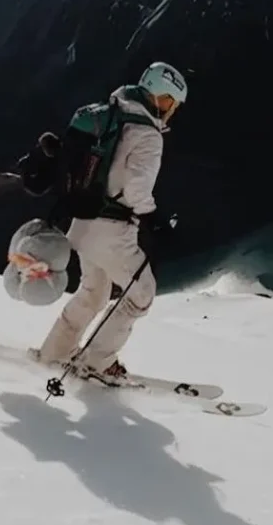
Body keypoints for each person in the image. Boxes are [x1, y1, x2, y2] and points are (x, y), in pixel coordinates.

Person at [34, 61, 187, 383]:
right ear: (160, 97)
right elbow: (137, 188)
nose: (172, 111)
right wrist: (155, 219)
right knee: (141, 294)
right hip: (113, 230)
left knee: (93, 292)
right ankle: (98, 363)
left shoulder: (110, 117)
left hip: (83, 221)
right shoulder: (147, 135)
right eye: (172, 103)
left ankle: (54, 353)